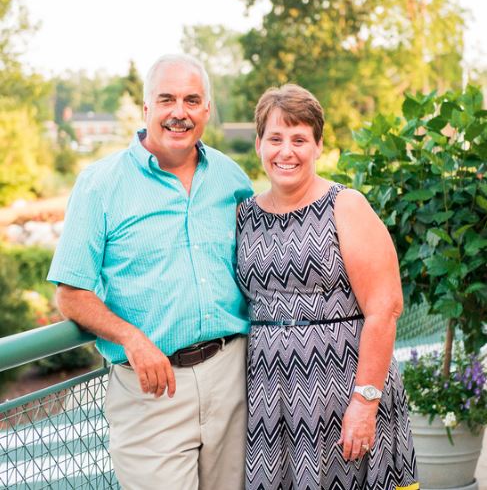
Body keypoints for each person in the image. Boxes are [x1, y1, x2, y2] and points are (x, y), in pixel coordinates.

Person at [47, 54, 253, 490]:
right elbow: (70, 293)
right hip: (152, 390)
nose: (180, 112)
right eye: (166, 100)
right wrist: (132, 339)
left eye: (191, 100)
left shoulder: (231, 179)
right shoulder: (100, 184)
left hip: (232, 378)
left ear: (207, 109)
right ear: (146, 109)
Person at [236, 84, 418, 490]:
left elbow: (385, 308)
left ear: (318, 145)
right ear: (259, 144)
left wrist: (365, 402)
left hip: (344, 388)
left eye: (299, 139)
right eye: (275, 138)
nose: (286, 151)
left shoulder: (344, 205)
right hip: (270, 396)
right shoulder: (244, 214)